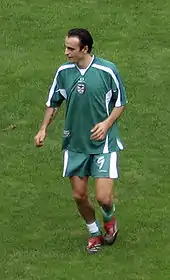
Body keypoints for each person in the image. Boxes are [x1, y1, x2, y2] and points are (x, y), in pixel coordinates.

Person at [34, 28, 127, 254]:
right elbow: (53, 102)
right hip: (75, 143)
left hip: (103, 143)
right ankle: (94, 233)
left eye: (70, 48)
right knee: (79, 195)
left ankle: (109, 220)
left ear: (84, 49)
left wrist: (106, 124)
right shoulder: (64, 72)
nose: (66, 52)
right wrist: (43, 129)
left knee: (104, 197)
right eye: (66, 47)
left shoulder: (107, 70)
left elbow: (121, 102)